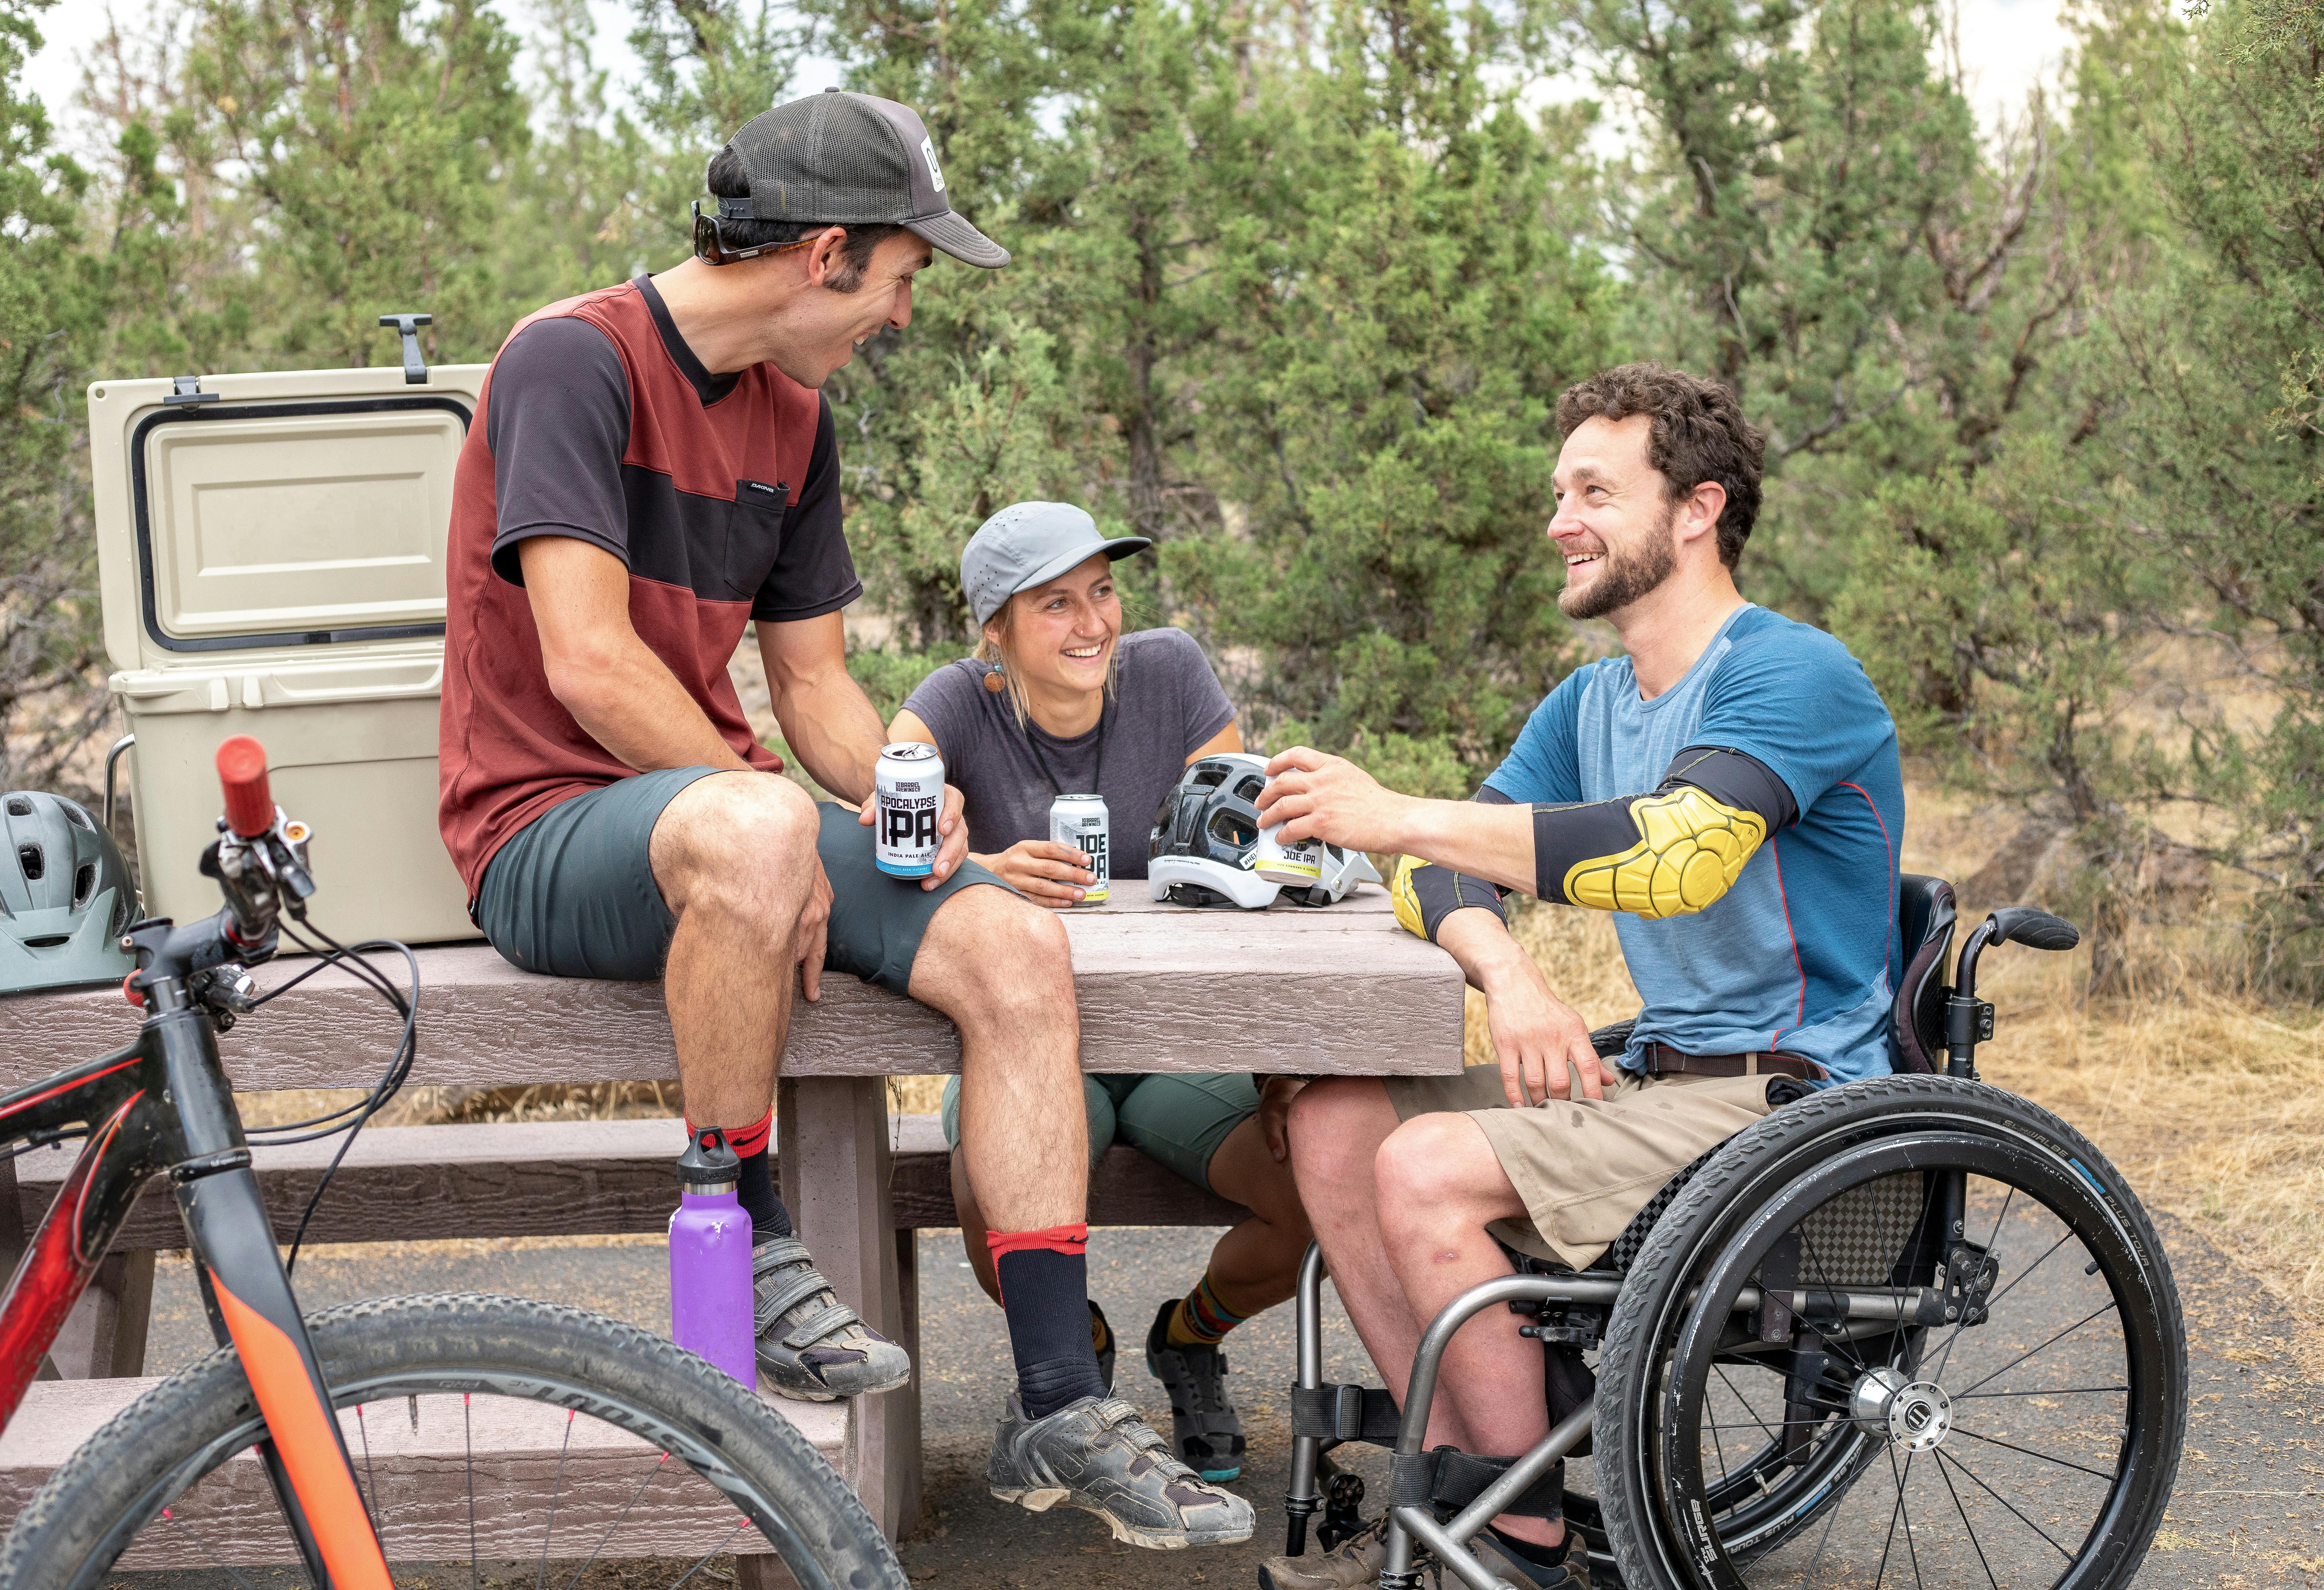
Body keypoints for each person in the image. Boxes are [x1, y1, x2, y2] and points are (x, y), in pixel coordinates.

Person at [436, 89, 1251, 1550]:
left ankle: (1062, 1392)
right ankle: (743, 1228)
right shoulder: (574, 361)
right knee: (756, 838)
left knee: (1010, 948)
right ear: (825, 255)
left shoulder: (791, 418)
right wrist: (771, 814)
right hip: (544, 825)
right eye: (903, 278)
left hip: (720, 810)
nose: (902, 315)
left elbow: (811, 680)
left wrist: (907, 808)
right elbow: (590, 660)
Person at [1251, 364, 1905, 1590]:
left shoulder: (1793, 674)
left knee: (1425, 1167)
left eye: (1596, 492)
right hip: (1659, 1076)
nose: (1562, 520)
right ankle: (1468, 1490)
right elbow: (1430, 879)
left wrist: (1396, 812)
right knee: (1336, 1116)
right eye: (1561, 491)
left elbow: (1678, 858)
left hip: (1792, 1097)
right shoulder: (1592, 699)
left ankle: (1518, 1543)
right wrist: (1508, 973)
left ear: (1698, 509)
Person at [888, 500, 1314, 1484]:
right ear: (994, 630)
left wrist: (1280, 1059)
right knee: (990, 1206)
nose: (1094, 624)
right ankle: (1077, 1355)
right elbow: (874, 829)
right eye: (1055, 604)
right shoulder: (953, 702)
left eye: (1103, 591)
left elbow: (1247, 857)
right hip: (1020, 1049)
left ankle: (1188, 1338)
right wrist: (979, 866)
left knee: (1316, 1191)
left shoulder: (1171, 673)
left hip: (1174, 1048)